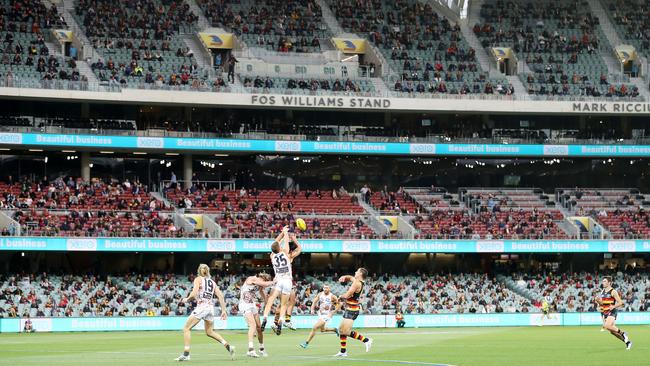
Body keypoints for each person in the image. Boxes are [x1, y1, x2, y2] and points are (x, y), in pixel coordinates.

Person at [175, 264, 235, 361]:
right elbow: (220, 296)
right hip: (210, 308)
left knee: (186, 328)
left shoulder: (198, 279)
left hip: (202, 307)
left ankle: (186, 354)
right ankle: (228, 346)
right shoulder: (212, 282)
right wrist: (224, 310)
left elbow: (194, 293)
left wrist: (186, 299)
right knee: (209, 332)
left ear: (199, 271)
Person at [261, 227, 301, 335]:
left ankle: (265, 317)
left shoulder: (272, 256)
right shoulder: (286, 254)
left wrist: (282, 233)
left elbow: (276, 242)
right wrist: (286, 233)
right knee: (284, 304)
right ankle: (281, 322)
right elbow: (287, 243)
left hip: (278, 280)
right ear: (280, 248)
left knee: (270, 301)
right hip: (287, 281)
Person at [335, 268, 373, 357]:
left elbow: (347, 295)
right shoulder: (358, 281)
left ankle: (366, 340)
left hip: (352, 309)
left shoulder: (357, 283)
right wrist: (345, 277)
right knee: (341, 330)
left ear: (360, 274)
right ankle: (343, 351)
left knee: (345, 331)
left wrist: (340, 297)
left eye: (357, 271)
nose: (355, 272)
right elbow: (350, 277)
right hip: (350, 308)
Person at [240, 272, 274, 358]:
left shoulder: (259, 284)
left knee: (259, 327)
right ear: (263, 278)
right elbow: (264, 284)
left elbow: (262, 291)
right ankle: (250, 349)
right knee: (253, 326)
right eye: (265, 281)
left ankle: (261, 348)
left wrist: (267, 303)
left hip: (252, 305)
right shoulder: (252, 278)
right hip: (244, 305)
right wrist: (275, 282)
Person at [596, 276, 632, 350]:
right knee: (612, 332)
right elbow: (603, 303)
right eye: (603, 281)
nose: (603, 282)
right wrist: (598, 301)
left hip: (612, 311)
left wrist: (614, 306)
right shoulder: (602, 291)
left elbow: (621, 302)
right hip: (606, 311)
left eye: (605, 281)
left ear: (609, 283)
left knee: (606, 325)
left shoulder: (613, 291)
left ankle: (623, 333)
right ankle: (627, 342)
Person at [300, 284, 339, 348]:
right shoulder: (320, 294)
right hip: (320, 314)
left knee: (315, 327)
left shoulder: (333, 296)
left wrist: (332, 312)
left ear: (329, 289)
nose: (325, 289)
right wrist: (312, 309)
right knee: (322, 330)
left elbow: (338, 305)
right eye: (324, 288)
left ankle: (306, 343)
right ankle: (334, 329)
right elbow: (314, 302)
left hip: (327, 315)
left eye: (327, 288)